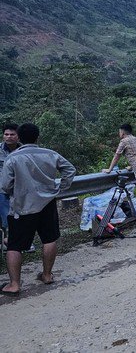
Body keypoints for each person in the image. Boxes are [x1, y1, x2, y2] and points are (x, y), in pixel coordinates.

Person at [0, 123, 76, 296]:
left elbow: (4, 186)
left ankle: (14, 285)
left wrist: (15, 191)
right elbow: (69, 170)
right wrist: (61, 188)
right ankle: (47, 275)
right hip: (47, 203)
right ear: (37, 137)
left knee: (14, 246)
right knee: (49, 238)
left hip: (22, 206)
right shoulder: (50, 154)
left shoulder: (13, 158)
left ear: (19, 137)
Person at [0, 124, 20, 237]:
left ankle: (25, 240)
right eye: (6, 134)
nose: (9, 137)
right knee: (6, 216)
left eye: (12, 134)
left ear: (18, 136)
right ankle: (10, 239)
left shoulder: (25, 150)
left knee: (23, 216)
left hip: (21, 188)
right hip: (3, 189)